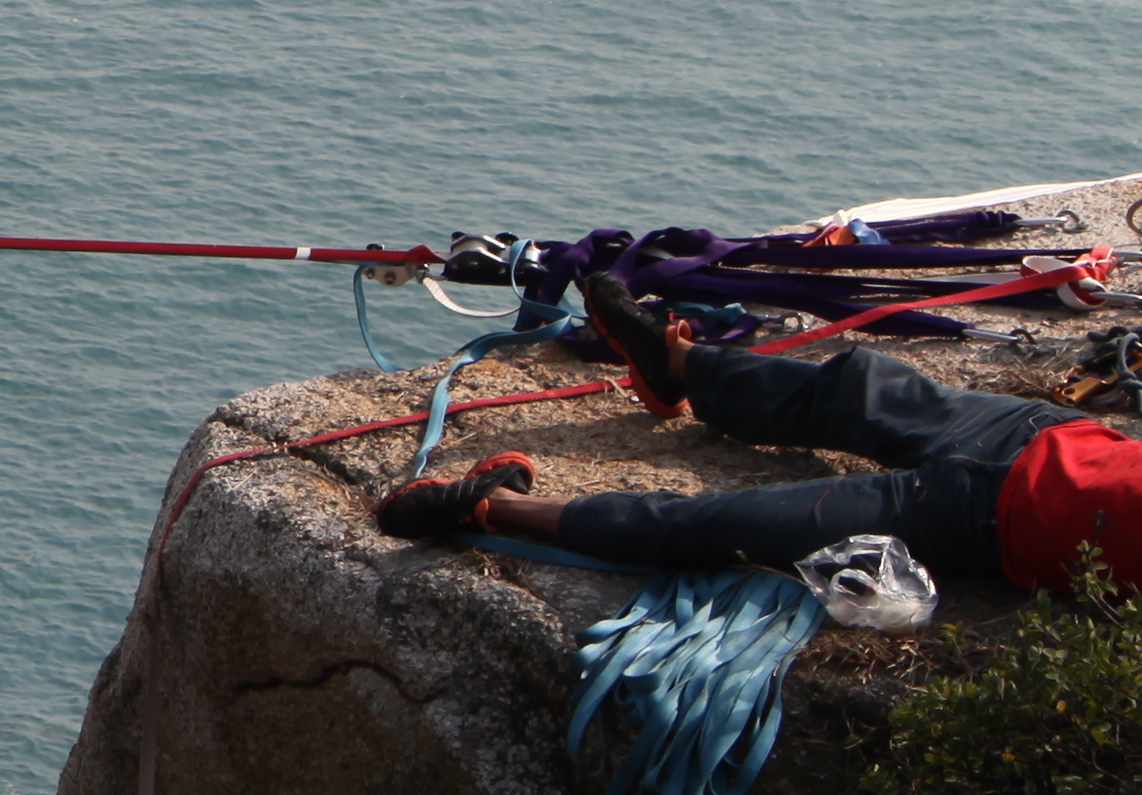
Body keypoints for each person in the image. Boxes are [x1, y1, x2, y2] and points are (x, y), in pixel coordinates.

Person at [382, 270, 1142, 596]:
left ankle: (486, 506)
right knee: (861, 384)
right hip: (1049, 436)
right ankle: (676, 365)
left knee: (727, 524)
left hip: (984, 520)